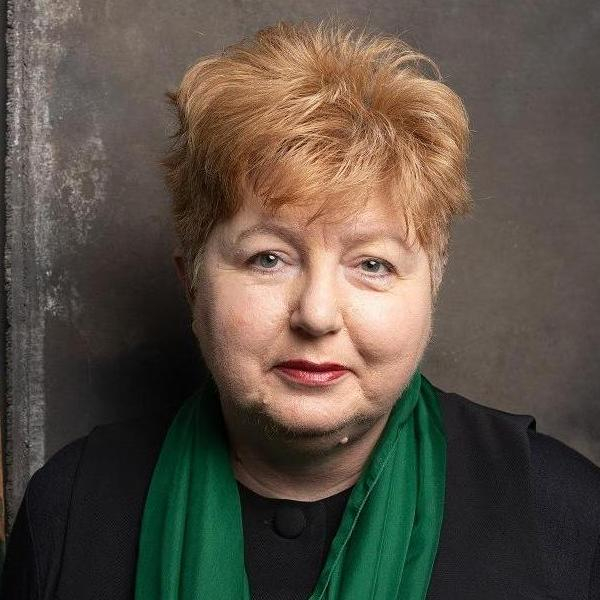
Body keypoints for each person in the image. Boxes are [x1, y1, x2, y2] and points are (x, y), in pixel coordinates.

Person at [2, 18, 599, 600]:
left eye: (372, 264)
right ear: (192, 283)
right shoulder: (71, 510)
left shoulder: (565, 513)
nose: (316, 316)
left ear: (432, 288)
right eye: (268, 259)